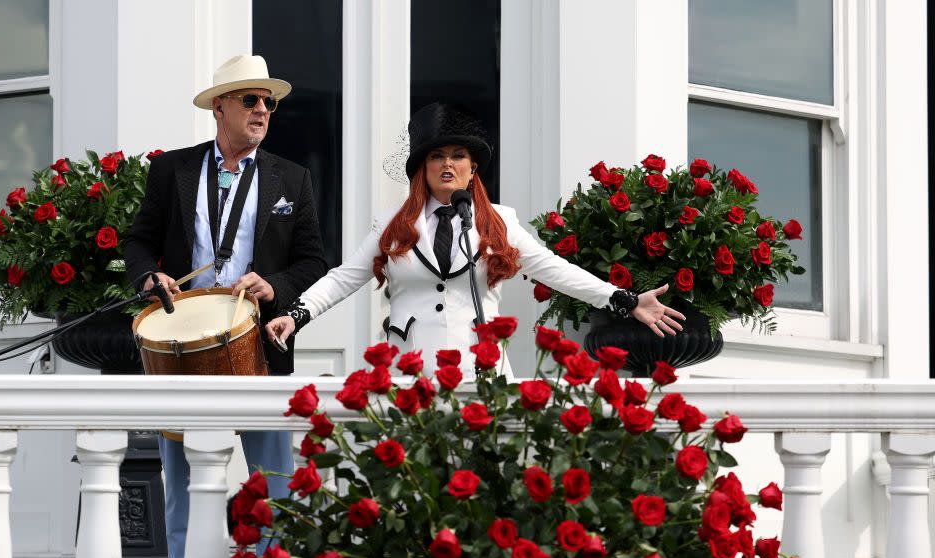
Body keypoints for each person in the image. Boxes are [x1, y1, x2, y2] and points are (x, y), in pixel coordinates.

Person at [124, 54, 328, 558]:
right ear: (221, 108)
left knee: (275, 483)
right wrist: (148, 278)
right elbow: (139, 241)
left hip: (258, 341)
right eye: (251, 100)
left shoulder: (292, 177)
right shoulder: (172, 171)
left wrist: (277, 287)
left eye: (269, 102)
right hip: (185, 343)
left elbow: (313, 259)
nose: (263, 110)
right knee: (183, 482)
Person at [265, 102, 683, 375]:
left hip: (480, 372)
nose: (447, 164)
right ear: (422, 168)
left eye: (458, 156)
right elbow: (344, 277)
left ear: (472, 168)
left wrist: (624, 300)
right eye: (436, 156)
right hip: (410, 373)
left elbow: (554, 269)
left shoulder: (498, 222)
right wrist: (296, 314)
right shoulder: (392, 224)